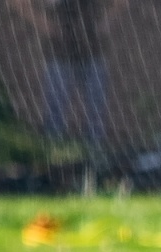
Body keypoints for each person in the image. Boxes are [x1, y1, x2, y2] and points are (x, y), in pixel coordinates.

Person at [8, 0, 125, 150]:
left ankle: (94, 154)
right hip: (60, 53)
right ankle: (53, 153)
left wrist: (105, 23)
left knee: (96, 116)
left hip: (92, 50)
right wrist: (45, 25)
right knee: (54, 115)